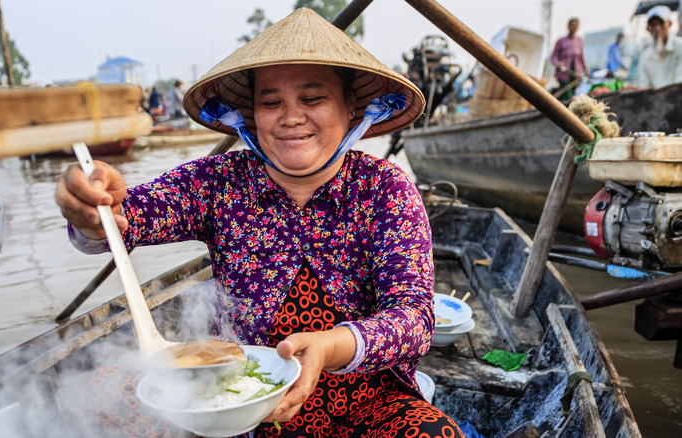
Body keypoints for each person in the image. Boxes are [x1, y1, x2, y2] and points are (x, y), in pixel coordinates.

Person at [55, 8, 463, 438]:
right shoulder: (219, 181)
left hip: (363, 404)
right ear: (251, 116)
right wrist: (92, 209)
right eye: (271, 103)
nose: (290, 117)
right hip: (238, 395)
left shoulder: (385, 189)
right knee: (104, 392)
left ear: (350, 108)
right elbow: (126, 219)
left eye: (312, 98)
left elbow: (414, 319)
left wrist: (329, 346)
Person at [639, 5, 682, 89]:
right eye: (653, 25)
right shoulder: (645, 57)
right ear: (648, 29)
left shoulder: (680, 47)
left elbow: (680, 82)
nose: (657, 28)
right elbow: (645, 87)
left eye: (661, 23)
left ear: (669, 24)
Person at [550, 17, 589, 101]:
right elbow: (553, 57)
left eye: (576, 25)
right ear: (568, 26)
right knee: (567, 96)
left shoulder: (579, 41)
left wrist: (586, 69)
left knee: (574, 95)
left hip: (575, 74)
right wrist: (558, 64)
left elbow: (581, 57)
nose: (574, 27)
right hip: (563, 74)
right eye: (572, 25)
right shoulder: (561, 41)